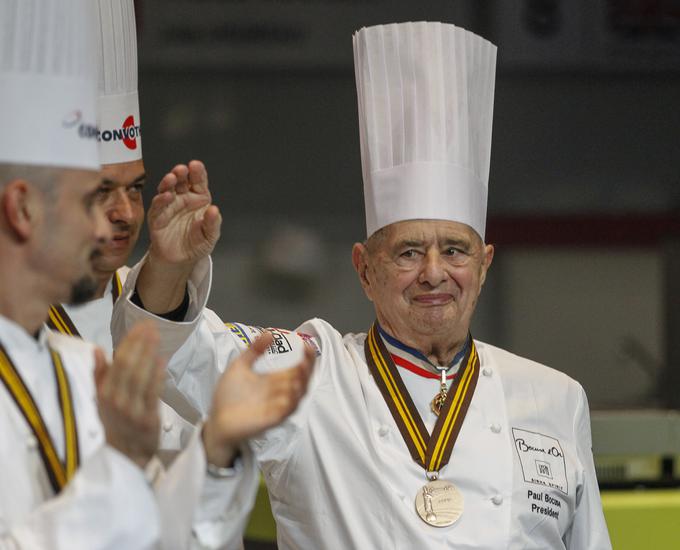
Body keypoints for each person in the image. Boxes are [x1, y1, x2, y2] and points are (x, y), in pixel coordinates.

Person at [113, 22, 612, 549]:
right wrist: (170, 264)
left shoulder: (556, 398)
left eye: (456, 250)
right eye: (409, 252)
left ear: (485, 264)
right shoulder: (309, 376)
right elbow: (174, 353)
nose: (435, 273)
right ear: (364, 269)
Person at [0, 1, 312, 548]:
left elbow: (164, 539)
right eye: (89, 199)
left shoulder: (77, 368)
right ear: (23, 210)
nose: (110, 223)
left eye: (133, 189)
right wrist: (120, 462)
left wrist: (216, 448)